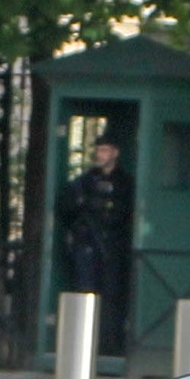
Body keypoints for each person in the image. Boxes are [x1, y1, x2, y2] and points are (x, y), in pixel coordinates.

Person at [57, 139, 133, 342]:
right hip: (88, 245)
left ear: (115, 152)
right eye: (98, 150)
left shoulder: (125, 183)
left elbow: (127, 215)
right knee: (85, 292)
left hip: (114, 248)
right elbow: (67, 210)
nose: (100, 154)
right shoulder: (84, 182)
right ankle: (82, 340)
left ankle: (109, 341)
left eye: (105, 150)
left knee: (112, 296)